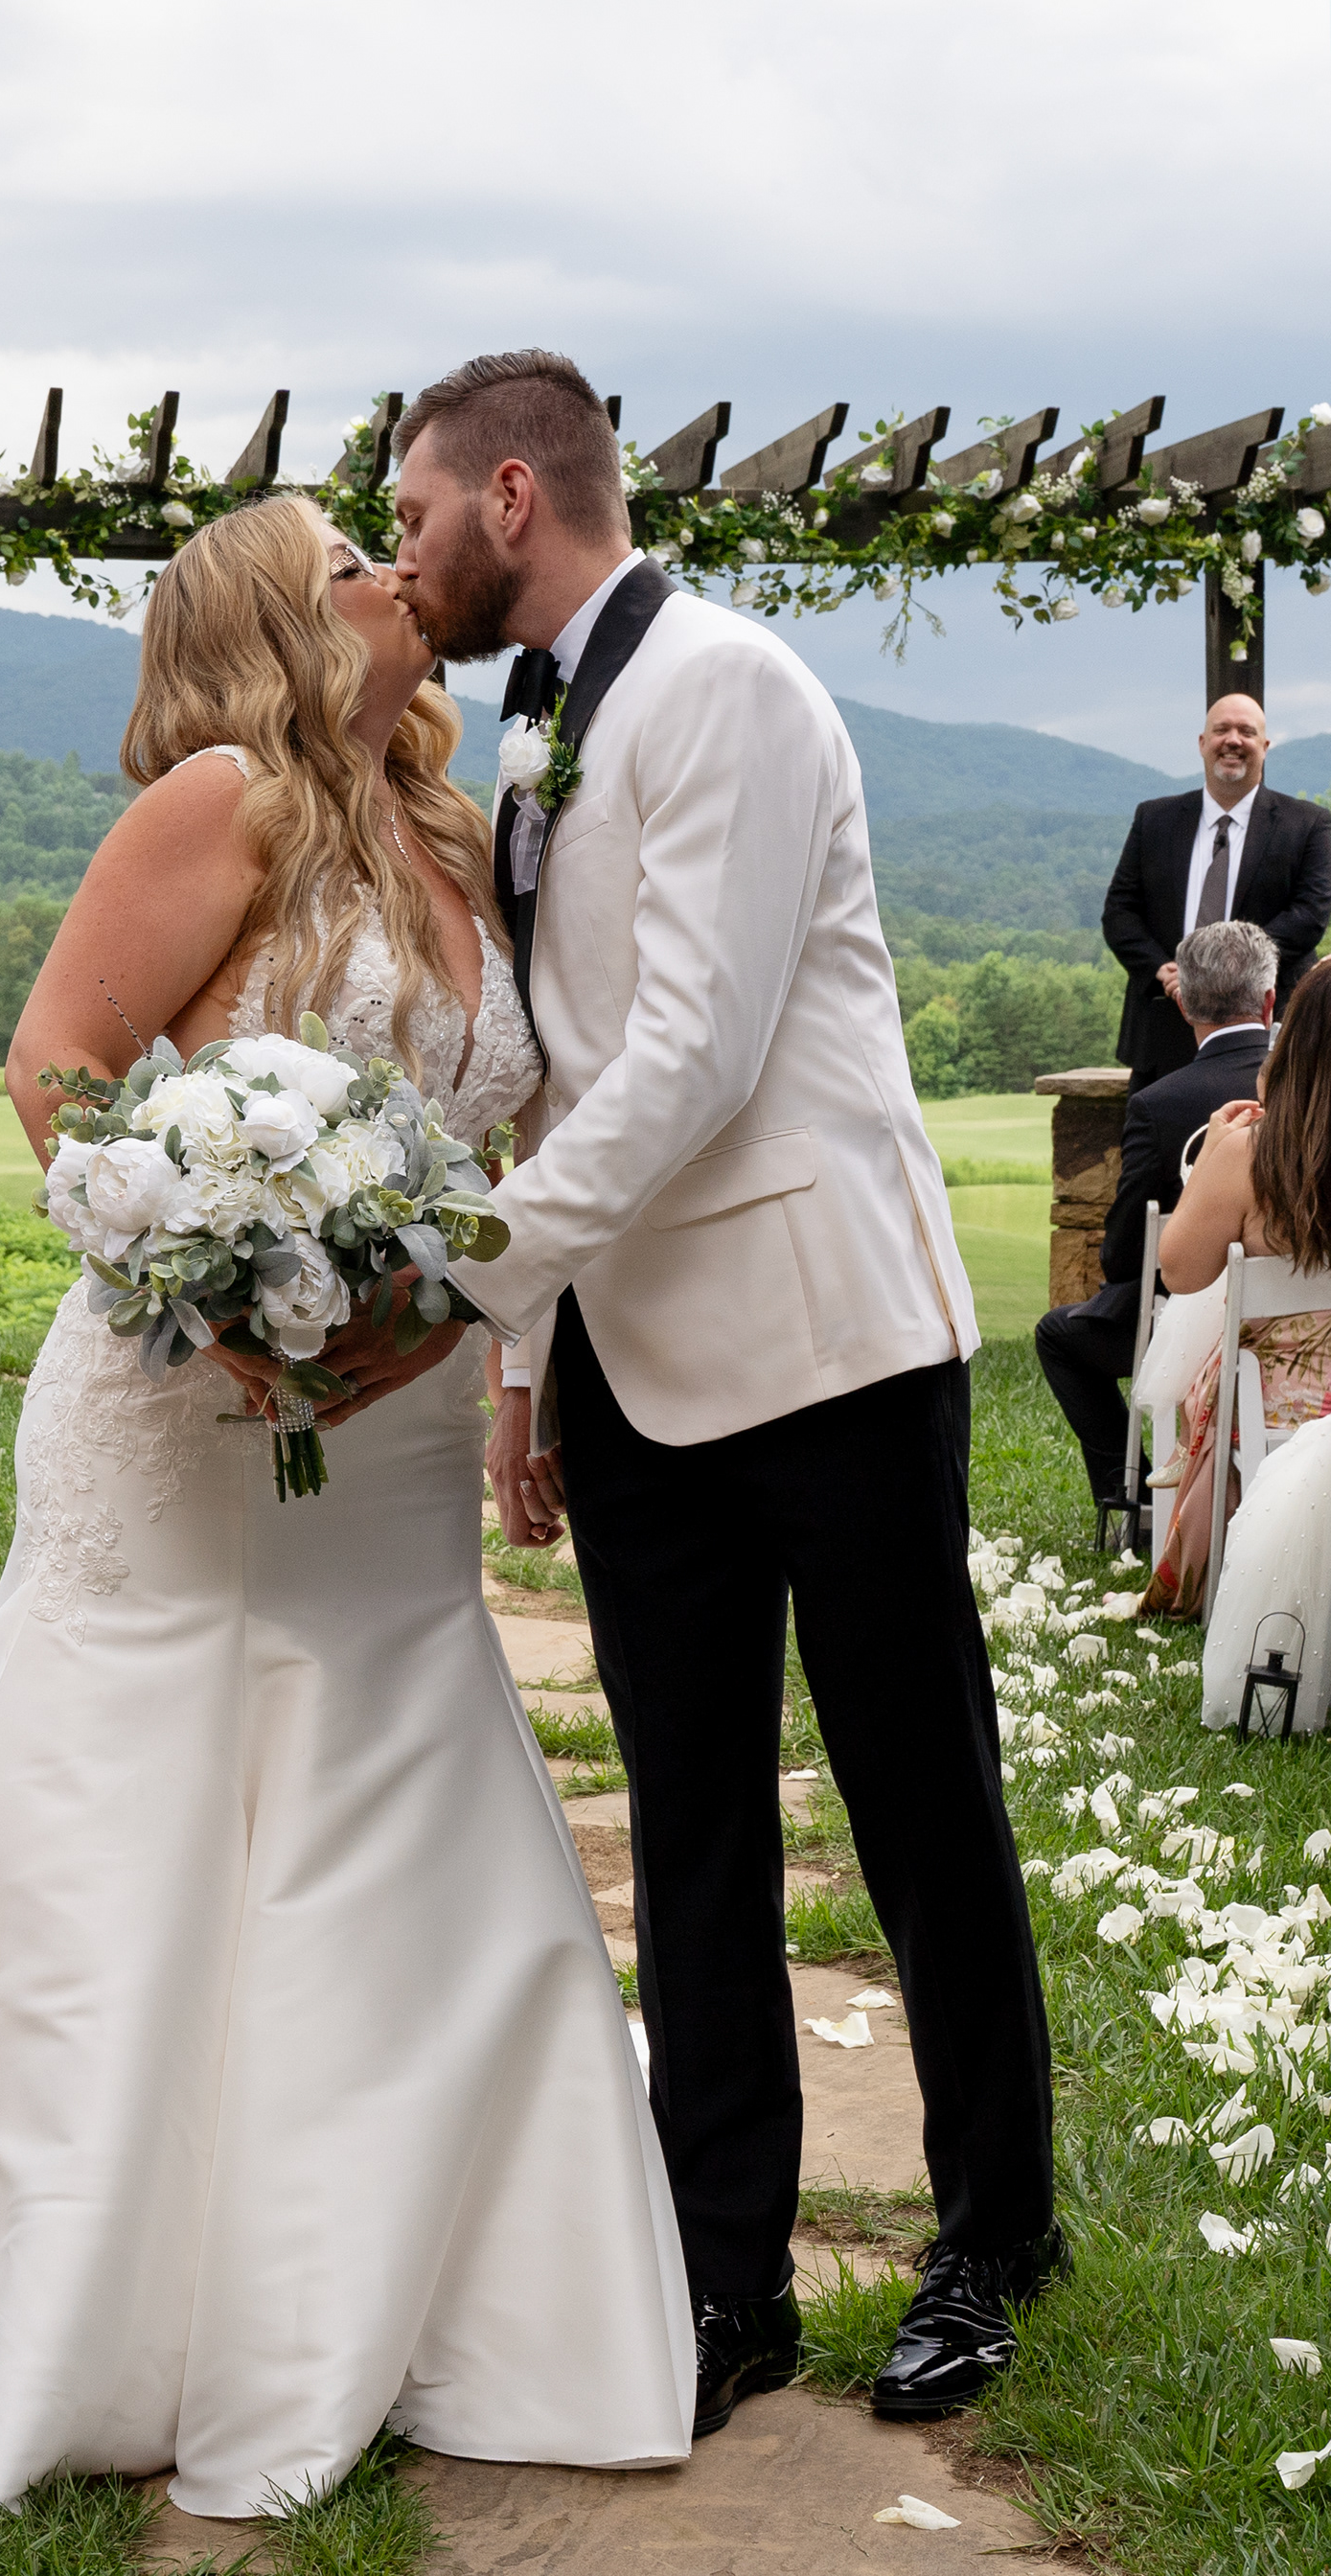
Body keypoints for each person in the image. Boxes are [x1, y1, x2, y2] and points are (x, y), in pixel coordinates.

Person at [0, 498, 695, 2519]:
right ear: (276, 619)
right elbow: (60, 1066)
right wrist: (207, 1279)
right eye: (356, 558)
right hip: (187, 1403)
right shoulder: (226, 803)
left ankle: (412, 2273)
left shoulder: (460, 829)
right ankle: (64, 2276)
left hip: (398, 1424)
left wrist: (513, 1361)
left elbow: (521, 1145)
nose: (400, 574)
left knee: (398, 1792)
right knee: (130, 1790)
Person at [373, 349, 1060, 2426]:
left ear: (512, 495)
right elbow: (564, 1065)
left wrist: (473, 1269)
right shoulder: (537, 718)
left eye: (411, 515)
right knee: (687, 1830)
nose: (402, 555)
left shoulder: (732, 686)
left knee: (919, 1801)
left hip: (829, 1341)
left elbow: (697, 1048)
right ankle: (723, 2274)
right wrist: (533, 1364)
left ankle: (994, 2234)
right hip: (631, 1362)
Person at [1035, 920, 1275, 1523]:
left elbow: (1124, 1256)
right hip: (1297, 1319)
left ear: (1184, 1004)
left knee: (1059, 1335)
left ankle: (1136, 1500)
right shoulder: (1309, 1092)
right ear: (1270, 1000)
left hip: (1181, 1311)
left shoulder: (1158, 1104)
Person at [1137, 958, 1331, 1621]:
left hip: (1274, 1404)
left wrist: (1210, 1162)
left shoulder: (1248, 1152)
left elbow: (1180, 1272)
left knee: (1214, 1368)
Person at [1101, 695, 1331, 1092]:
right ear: (1202, 742)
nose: (1233, 740)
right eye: (1222, 730)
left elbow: (1309, 916)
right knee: (1154, 1132)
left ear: (1265, 746)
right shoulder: (1154, 819)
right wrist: (1163, 969)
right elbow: (1120, 913)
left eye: (1246, 731)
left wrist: (1223, 972)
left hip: (1266, 1036)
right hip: (1164, 1027)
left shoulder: (1308, 824)